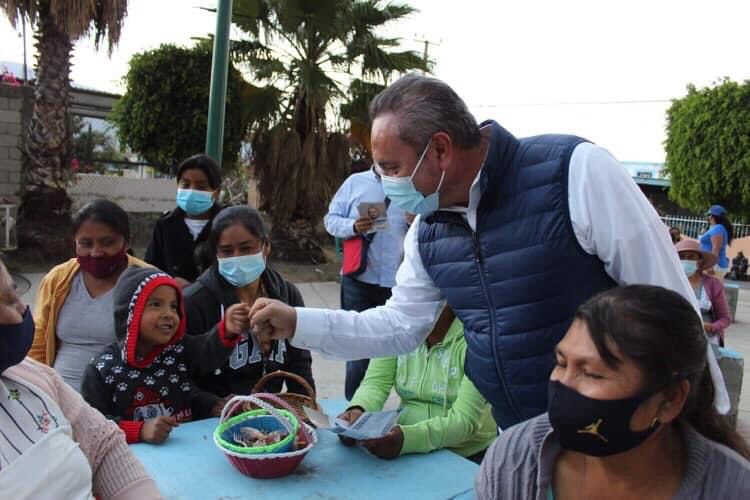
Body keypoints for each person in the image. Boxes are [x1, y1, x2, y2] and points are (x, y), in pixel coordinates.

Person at [248, 74, 729, 429]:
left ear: (439, 150)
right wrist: (298, 322)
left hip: (621, 436)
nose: (385, 185)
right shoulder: (429, 231)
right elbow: (399, 326)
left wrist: (709, 424)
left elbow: (670, 307)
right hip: (520, 438)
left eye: (391, 168)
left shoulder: (573, 174)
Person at [475, 285, 750, 500]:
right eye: (561, 363)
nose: (563, 384)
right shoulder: (515, 460)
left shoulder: (732, 489)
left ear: (670, 399)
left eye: (592, 373)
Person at [0, 258, 160, 499]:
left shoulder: (32, 378)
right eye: (9, 301)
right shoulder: (61, 280)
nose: (24, 309)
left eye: (16, 295)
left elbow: (104, 445)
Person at [81, 267, 244, 444]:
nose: (169, 314)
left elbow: (202, 363)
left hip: (185, 452)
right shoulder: (101, 369)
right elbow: (92, 428)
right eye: (156, 304)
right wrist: (140, 431)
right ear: (130, 312)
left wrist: (226, 330)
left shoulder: (177, 349)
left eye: (174, 306)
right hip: (129, 464)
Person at [183, 206, 315, 397]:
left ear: (266, 246)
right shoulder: (195, 302)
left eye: (246, 248)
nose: (237, 257)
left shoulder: (287, 294)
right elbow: (182, 371)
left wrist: (305, 404)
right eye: (227, 251)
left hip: (269, 412)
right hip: (214, 419)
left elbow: (299, 361)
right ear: (216, 254)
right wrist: (210, 404)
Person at [337, 306, 495, 463]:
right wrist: (358, 410)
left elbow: (464, 421)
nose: (409, 303)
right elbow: (376, 383)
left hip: (466, 454)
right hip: (407, 446)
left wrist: (406, 439)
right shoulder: (398, 330)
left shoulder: (479, 341)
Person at [30, 199, 149, 392]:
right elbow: (38, 343)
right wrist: (37, 390)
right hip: (58, 397)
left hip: (120, 403)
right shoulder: (58, 279)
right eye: (86, 243)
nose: (95, 253)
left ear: (126, 242)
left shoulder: (149, 281)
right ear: (74, 243)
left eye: (107, 242)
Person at [324, 165, 409, 400]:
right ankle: (353, 411)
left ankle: (408, 409)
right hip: (359, 282)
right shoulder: (355, 182)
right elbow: (330, 220)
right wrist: (352, 227)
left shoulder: (413, 183)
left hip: (400, 285)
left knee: (403, 352)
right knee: (357, 349)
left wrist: (414, 221)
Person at [145, 154, 223, 287]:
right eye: (185, 184)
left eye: (201, 187)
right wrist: (169, 281)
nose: (191, 191)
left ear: (216, 192)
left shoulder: (228, 225)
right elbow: (150, 268)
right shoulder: (165, 225)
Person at [677, 239, 731, 347]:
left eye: (691, 257)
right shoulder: (669, 280)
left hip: (705, 340)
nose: (686, 260)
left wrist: (711, 327)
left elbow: (725, 319)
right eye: (681, 257)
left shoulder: (713, 284)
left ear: (699, 260)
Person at [700, 204, 733, 277]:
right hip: (712, 264)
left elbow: (716, 248)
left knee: (711, 288)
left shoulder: (718, 228)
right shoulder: (716, 228)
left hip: (714, 266)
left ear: (712, 216)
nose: (707, 217)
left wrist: (711, 265)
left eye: (708, 215)